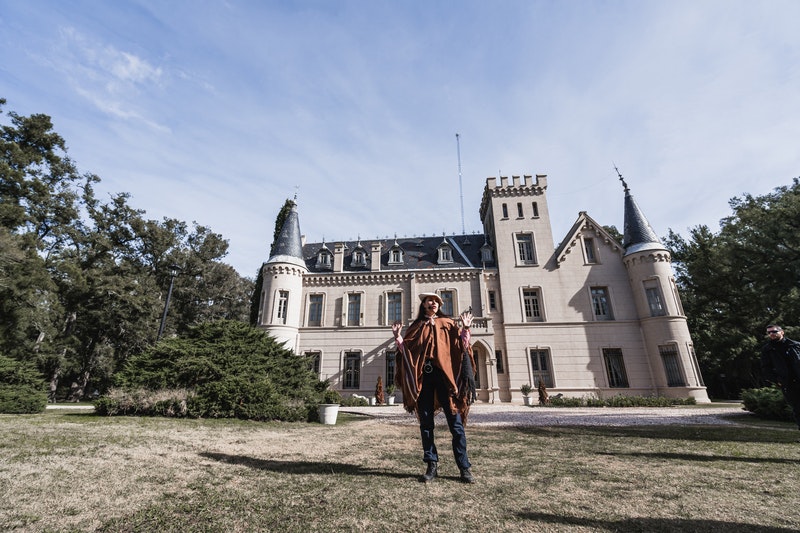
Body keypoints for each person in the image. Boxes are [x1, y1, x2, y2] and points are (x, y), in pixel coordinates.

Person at [392, 293, 477, 483]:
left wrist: (466, 328)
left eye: (437, 301)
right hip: (425, 378)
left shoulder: (447, 324)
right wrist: (398, 338)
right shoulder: (416, 327)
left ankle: (464, 467)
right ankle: (432, 465)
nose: (434, 303)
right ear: (423, 305)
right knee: (426, 424)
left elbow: (461, 347)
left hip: (445, 378)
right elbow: (407, 352)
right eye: (430, 301)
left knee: (456, 425)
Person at [760, 325, 800, 429]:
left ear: (782, 332)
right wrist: (777, 381)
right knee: (797, 408)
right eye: (769, 332)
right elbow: (766, 368)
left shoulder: (795, 345)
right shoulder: (767, 349)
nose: (771, 334)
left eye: (774, 331)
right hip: (787, 383)